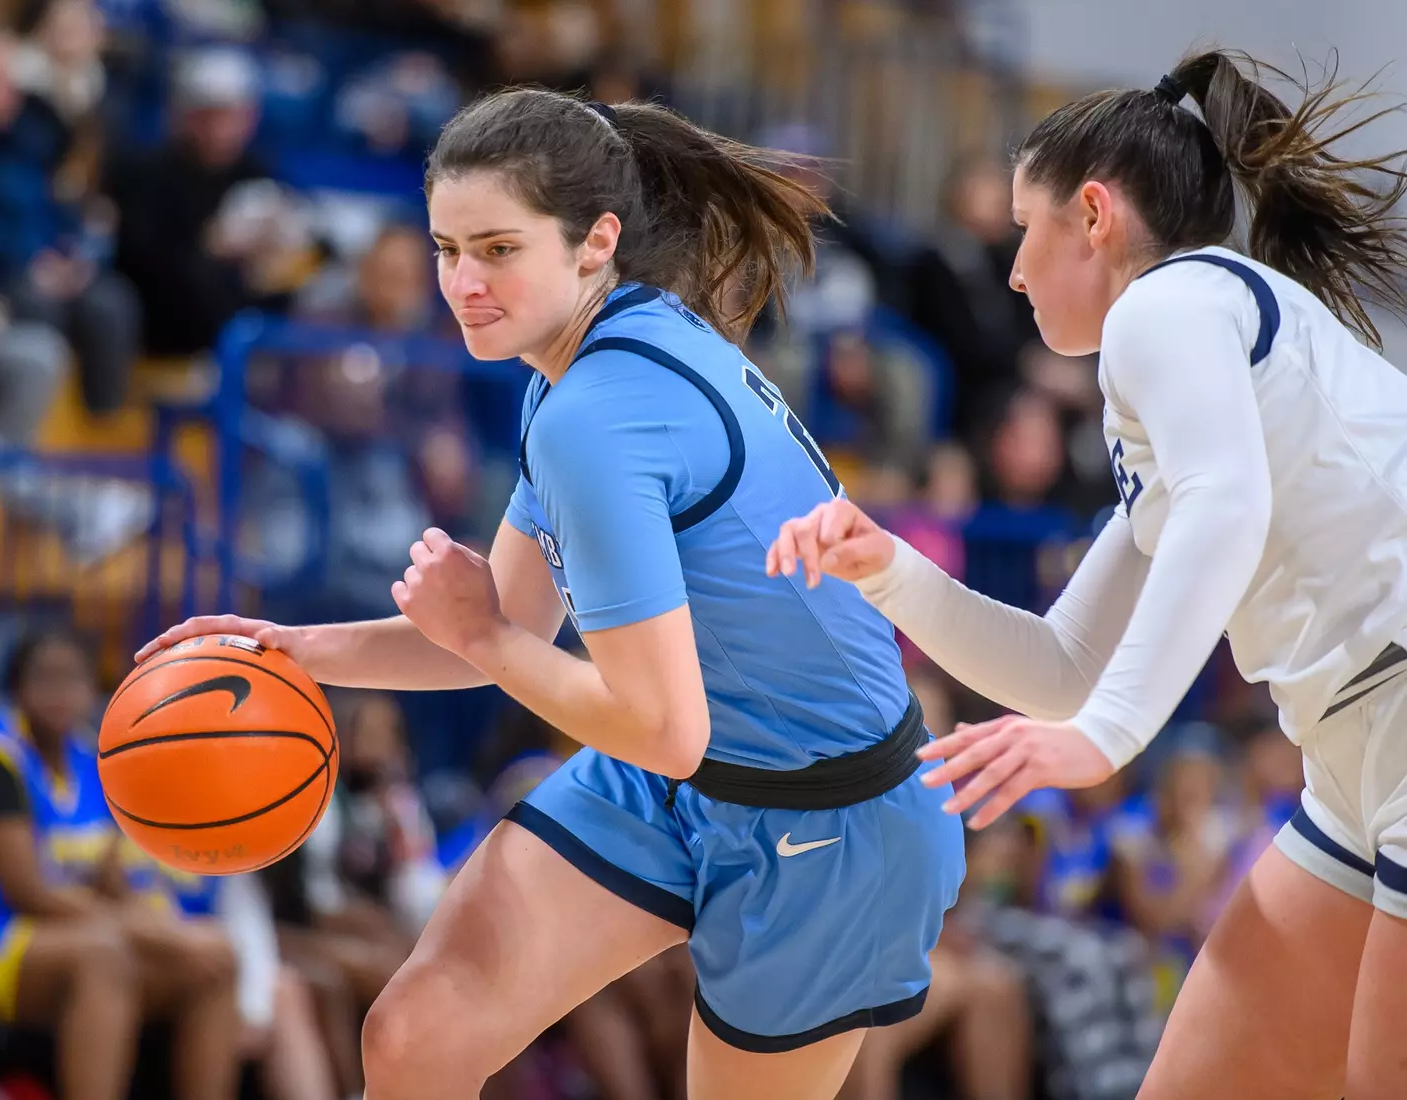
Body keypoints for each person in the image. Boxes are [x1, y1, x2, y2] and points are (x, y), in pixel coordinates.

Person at [138, 88, 966, 1099]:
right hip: (674, 777)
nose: (462, 283)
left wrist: (483, 635)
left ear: (595, 240)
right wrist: (291, 647)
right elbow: (506, 634)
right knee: (416, 1033)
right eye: (446, 249)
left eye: (496, 249)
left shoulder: (599, 415)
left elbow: (642, 713)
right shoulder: (580, 359)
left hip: (832, 824)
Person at [767, 48, 1407, 1100]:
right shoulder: (1185, 360)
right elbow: (1064, 665)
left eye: (1027, 229)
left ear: (1095, 215)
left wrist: (1107, 737)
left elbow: (1226, 506)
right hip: (1353, 766)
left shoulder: (1166, 306)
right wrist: (888, 569)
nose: (1013, 269)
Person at [0, 627, 242, 1100]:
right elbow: (29, 892)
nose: (60, 693)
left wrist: (172, 932)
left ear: (93, 690)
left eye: (73, 679)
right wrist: (151, 933)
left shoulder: (90, 761)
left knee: (216, 959)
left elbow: (112, 882)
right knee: (104, 958)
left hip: (43, 933)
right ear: (16, 688)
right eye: (45, 678)